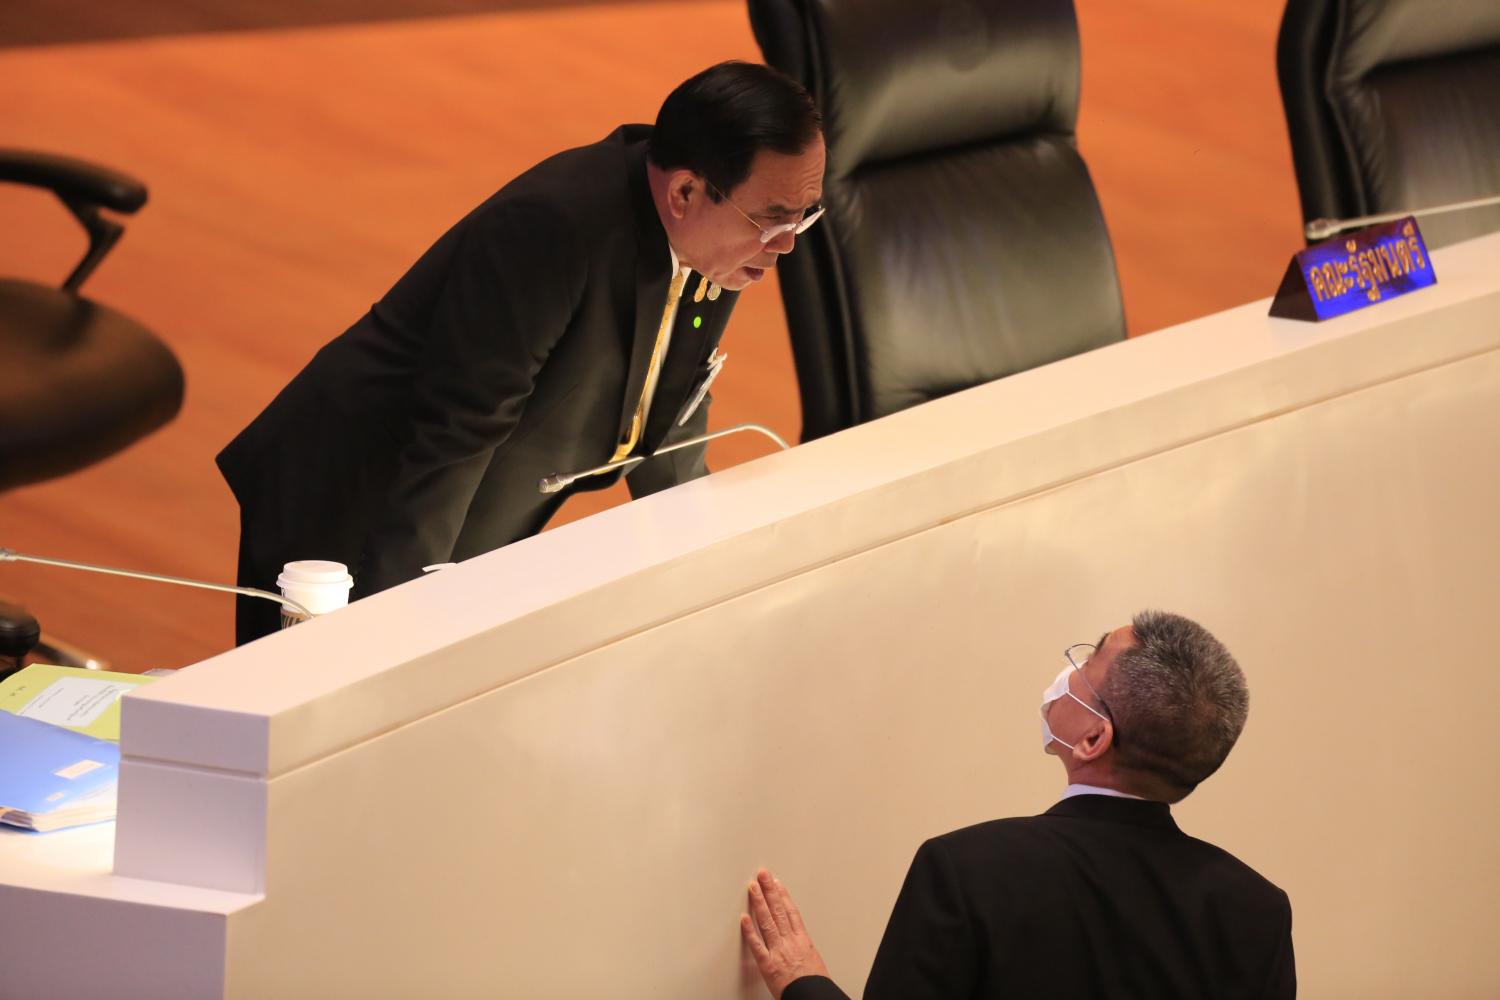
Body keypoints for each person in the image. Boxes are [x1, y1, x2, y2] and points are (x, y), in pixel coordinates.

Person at [217, 61, 825, 644]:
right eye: (773, 220)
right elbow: (457, 435)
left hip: (466, 514)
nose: (788, 244)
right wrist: (390, 634)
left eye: (803, 218)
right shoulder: (553, 232)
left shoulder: (720, 242)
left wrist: (712, 572)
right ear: (686, 192)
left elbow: (669, 407)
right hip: (351, 510)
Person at [741, 610, 1295, 999]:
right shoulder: (1257, 912)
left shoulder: (967, 873)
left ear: (1093, 740)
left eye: (1090, 659)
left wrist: (801, 981)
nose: (1069, 671)